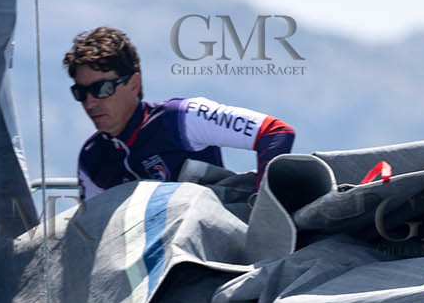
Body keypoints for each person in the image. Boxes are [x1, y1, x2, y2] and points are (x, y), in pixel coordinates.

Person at [64, 27, 296, 200]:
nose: (90, 102)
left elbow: (275, 132)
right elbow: (93, 230)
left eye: (101, 89)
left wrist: (263, 207)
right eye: (80, 92)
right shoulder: (91, 157)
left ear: (134, 84)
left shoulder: (182, 118)